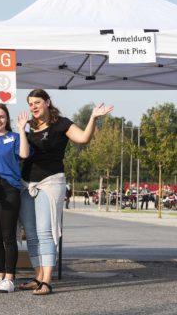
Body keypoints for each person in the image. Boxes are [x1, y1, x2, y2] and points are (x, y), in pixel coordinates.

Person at [19, 89, 113, 295]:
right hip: (26, 184)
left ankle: (47, 280)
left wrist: (93, 118)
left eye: (37, 102)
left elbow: (83, 138)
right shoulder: (27, 127)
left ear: (47, 102)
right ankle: (37, 276)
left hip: (50, 182)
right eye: (30, 103)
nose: (33, 106)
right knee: (31, 234)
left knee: (45, 232)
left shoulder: (61, 123)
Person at [0, 104, 30, 293]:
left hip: (9, 189)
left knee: (8, 236)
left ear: (7, 118)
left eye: (1, 117)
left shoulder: (15, 137)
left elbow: (24, 154)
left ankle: (10, 278)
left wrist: (21, 129)